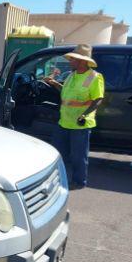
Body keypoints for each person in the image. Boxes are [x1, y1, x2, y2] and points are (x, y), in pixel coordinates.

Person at [44, 44, 104, 189]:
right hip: (64, 121)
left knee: (78, 157)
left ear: (82, 61)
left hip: (80, 123)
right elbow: (66, 92)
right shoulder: (72, 74)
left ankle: (78, 182)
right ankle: (56, 178)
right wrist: (54, 84)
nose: (70, 61)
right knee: (57, 153)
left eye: (73, 59)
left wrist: (84, 115)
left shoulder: (94, 77)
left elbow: (98, 99)